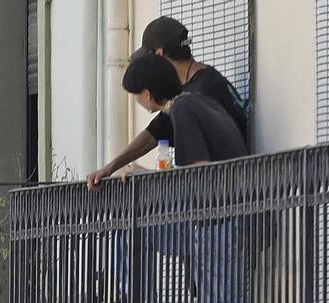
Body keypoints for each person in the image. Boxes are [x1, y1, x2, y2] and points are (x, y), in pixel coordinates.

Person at [85, 47, 250, 303]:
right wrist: (111, 168)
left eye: (136, 95)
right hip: (221, 219)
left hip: (216, 223)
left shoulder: (184, 110)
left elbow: (198, 174)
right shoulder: (195, 102)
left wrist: (147, 175)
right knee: (134, 227)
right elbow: (153, 138)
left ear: (147, 95)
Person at [86, 15, 249, 192]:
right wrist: (109, 168)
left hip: (228, 200)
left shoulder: (199, 94)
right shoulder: (184, 99)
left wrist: (150, 178)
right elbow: (154, 132)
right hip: (231, 196)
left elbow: (200, 174)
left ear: (159, 55)